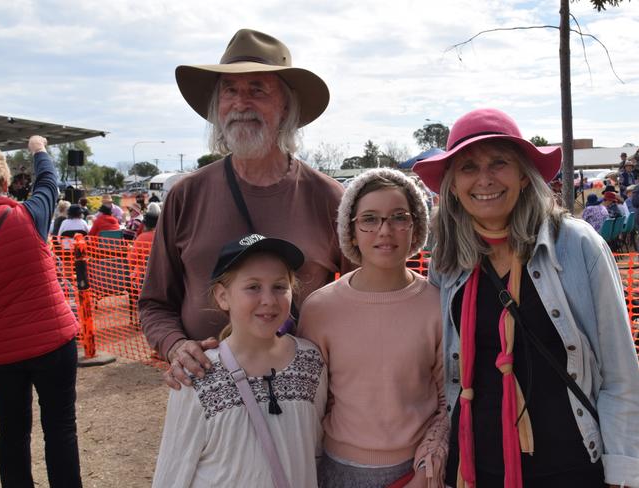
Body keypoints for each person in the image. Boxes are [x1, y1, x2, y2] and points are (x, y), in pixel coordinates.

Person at [413, 108, 639, 488]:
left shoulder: (576, 245)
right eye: (468, 168)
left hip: (571, 468)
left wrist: (622, 472)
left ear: (522, 174)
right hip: (476, 468)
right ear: (453, 185)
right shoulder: (448, 260)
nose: (484, 179)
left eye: (498, 162)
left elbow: (620, 374)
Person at [139, 28, 347, 389]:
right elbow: (155, 304)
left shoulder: (329, 198)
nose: (240, 103)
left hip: (304, 401)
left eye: (257, 90)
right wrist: (176, 347)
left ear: (286, 106)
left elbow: (367, 299)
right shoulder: (185, 195)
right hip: (207, 399)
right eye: (229, 91)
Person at [299, 168, 449, 488]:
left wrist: (427, 468)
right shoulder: (319, 309)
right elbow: (309, 405)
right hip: (337, 471)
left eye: (398, 217)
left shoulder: (437, 304)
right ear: (350, 231)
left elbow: (448, 399)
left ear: (415, 227)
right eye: (369, 219)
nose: (385, 230)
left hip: (417, 473)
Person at [152, 234, 327, 487]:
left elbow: (315, 450)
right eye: (253, 287)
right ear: (223, 297)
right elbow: (173, 470)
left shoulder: (311, 362)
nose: (268, 299)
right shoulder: (197, 374)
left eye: (279, 286)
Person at [0, 136, 82, 487]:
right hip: (52, 342)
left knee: (12, 431)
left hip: (0, 352)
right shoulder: (29, 216)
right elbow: (49, 182)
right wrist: (39, 150)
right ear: (5, 183)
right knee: (60, 427)